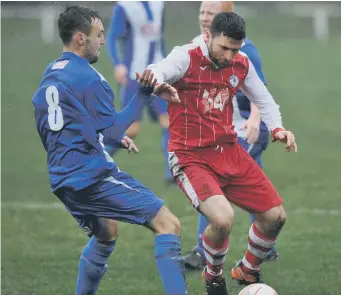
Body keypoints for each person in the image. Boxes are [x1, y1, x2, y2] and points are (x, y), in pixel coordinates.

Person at [32, 5, 188, 295]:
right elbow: (117, 128)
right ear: (81, 38)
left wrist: (105, 141)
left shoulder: (52, 72)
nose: (103, 41)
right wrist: (144, 93)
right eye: (98, 35)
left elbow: (53, 123)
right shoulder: (91, 79)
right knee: (169, 224)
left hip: (62, 181)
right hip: (90, 178)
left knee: (107, 233)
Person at [147, 11, 297, 295]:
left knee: (275, 217)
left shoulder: (241, 63)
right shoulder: (186, 56)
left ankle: (247, 269)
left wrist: (277, 129)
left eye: (235, 49)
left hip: (228, 150)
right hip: (189, 155)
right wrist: (154, 78)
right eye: (223, 47)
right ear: (208, 37)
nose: (229, 56)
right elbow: (160, 69)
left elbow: (263, 98)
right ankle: (213, 276)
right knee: (222, 218)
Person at [183, 1, 279, 271]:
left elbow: (261, 92)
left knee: (215, 184)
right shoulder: (196, 46)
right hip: (221, 133)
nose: (204, 18)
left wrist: (254, 120)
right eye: (202, 12)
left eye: (211, 14)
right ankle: (267, 246)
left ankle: (202, 252)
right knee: (254, 184)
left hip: (244, 130)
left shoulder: (245, 50)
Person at [105, 1, 173, 183]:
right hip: (135, 76)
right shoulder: (126, 6)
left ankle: (171, 174)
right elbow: (112, 37)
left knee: (168, 120)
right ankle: (95, 158)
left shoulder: (158, 4)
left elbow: (159, 38)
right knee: (131, 129)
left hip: (157, 74)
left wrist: (168, 67)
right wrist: (118, 64)